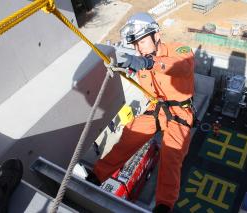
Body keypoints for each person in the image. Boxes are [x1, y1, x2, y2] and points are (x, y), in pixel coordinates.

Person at [87, 12, 195, 213]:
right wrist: (124, 68)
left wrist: (149, 63)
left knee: (171, 155)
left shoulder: (180, 51)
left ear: (157, 35)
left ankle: (163, 206)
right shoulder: (142, 60)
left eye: (142, 42)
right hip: (156, 108)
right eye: (135, 44)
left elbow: (182, 68)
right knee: (129, 137)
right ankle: (96, 176)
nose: (138, 49)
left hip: (180, 111)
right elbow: (142, 75)